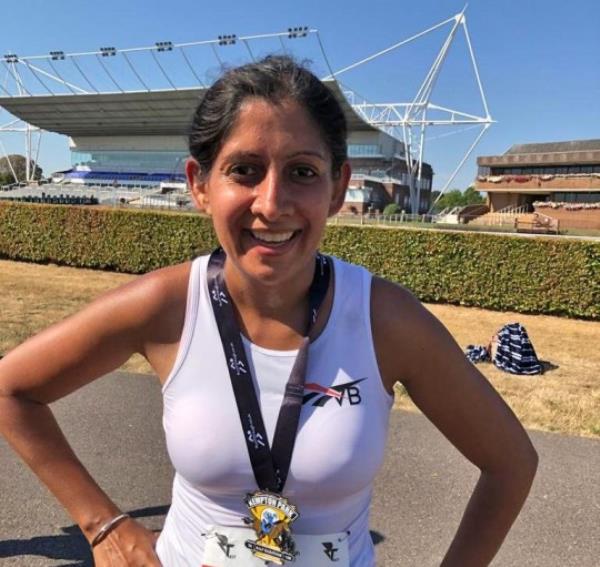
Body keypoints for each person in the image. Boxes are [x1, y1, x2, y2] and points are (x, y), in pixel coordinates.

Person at [0, 55, 537, 567]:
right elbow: (11, 389)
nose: (272, 203)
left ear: (337, 188)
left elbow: (510, 463)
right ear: (200, 185)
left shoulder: (383, 318)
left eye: (302, 172)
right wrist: (102, 525)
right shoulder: (166, 306)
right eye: (245, 169)